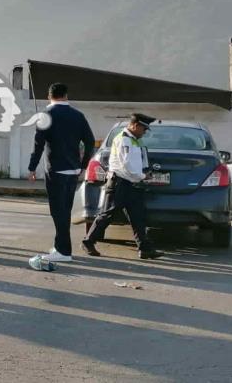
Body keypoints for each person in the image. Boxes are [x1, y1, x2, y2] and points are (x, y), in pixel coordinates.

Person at [81, 113, 164, 260]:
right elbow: (128, 165)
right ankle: (88, 242)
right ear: (135, 125)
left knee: (138, 216)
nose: (144, 133)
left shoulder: (133, 140)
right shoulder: (124, 140)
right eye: (143, 129)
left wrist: (141, 174)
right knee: (107, 215)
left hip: (131, 183)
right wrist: (143, 176)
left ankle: (144, 248)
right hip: (120, 183)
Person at [27, 83, 95, 262]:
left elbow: (38, 144)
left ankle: (64, 252)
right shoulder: (78, 115)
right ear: (65, 95)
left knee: (58, 212)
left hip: (56, 170)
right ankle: (60, 246)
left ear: (49, 96)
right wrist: (83, 165)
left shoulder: (46, 116)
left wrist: (32, 167)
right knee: (65, 210)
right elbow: (90, 141)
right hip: (73, 170)